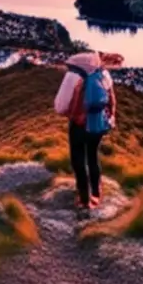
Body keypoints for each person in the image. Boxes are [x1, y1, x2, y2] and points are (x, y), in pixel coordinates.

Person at [54, 50, 122, 210]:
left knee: (78, 159)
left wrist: (71, 116)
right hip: (98, 124)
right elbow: (112, 99)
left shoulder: (76, 76)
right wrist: (111, 116)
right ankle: (97, 193)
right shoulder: (104, 75)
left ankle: (84, 199)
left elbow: (63, 105)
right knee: (92, 156)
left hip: (79, 125)